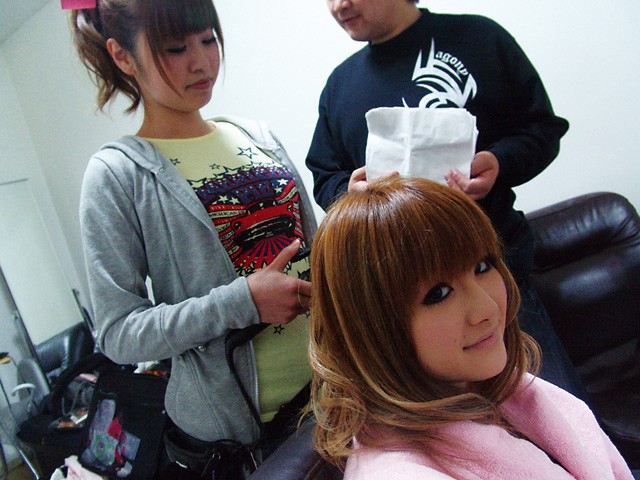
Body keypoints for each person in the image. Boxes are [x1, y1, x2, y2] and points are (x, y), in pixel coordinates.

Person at [70, 0, 315, 476]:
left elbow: (318, 252)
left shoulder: (258, 137)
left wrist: (357, 212)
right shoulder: (119, 174)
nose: (202, 62)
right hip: (246, 439)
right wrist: (242, 302)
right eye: (176, 49)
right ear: (123, 56)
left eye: (208, 40)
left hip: (332, 393)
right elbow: (118, 334)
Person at [306, 0, 587, 400]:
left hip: (495, 277)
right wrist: (349, 192)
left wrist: (499, 162)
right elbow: (324, 174)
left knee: (553, 414)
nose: (340, 5)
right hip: (405, 306)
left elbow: (542, 128)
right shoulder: (340, 84)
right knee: (452, 428)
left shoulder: (479, 38)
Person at [308, 176, 633, 479]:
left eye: (482, 266)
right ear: (371, 330)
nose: (487, 309)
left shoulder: (497, 391)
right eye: (438, 293)